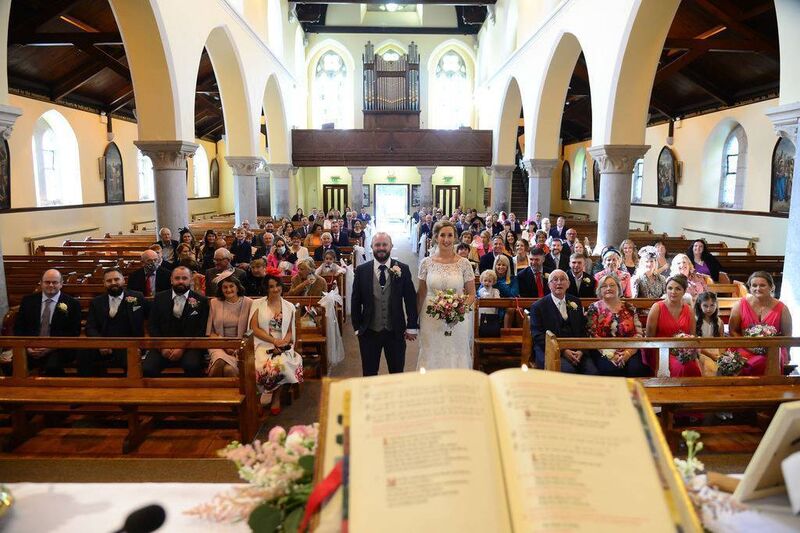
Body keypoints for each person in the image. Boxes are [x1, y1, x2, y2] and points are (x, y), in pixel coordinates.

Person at [350, 232, 418, 376]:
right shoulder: (362, 271)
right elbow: (355, 300)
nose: (381, 248)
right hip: (369, 332)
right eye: (377, 245)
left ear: (391, 246)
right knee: (369, 373)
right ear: (371, 246)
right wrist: (357, 327)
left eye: (384, 244)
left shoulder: (403, 269)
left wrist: (412, 325)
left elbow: (410, 299)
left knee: (397, 372)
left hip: (395, 332)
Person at [416, 220, 476, 369]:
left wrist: (459, 310)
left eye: (450, 235)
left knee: (456, 352)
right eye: (442, 235)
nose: (446, 239)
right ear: (436, 237)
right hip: (430, 316)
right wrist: (415, 319)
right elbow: (421, 292)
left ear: (455, 237)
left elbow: (471, 294)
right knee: (431, 351)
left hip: (457, 317)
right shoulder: (426, 263)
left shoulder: (464, 263)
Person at [249, 274, 303, 414]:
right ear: (266, 289)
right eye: (271, 287)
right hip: (263, 343)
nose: (275, 289)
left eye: (277, 285)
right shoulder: (257, 304)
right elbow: (254, 328)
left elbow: (291, 330)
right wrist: (273, 341)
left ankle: (276, 397)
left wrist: (283, 342)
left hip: (283, 344)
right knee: (259, 366)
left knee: (280, 365)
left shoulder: (289, 306)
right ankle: (261, 395)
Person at [79, 267, 148, 376]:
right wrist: (101, 343)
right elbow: (90, 327)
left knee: (131, 360)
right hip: (104, 344)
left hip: (130, 344)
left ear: (123, 280)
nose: (113, 283)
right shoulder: (97, 302)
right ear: (104, 283)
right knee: (84, 355)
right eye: (109, 281)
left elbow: (148, 319)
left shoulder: (136, 297)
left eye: (116, 279)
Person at [142, 266, 210, 377]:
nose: (180, 281)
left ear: (190, 280)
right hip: (163, 345)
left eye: (184, 278)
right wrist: (162, 347)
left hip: (190, 346)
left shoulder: (201, 301)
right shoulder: (159, 298)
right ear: (171, 280)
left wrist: (182, 348)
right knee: (147, 368)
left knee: (192, 366)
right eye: (177, 278)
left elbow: (201, 329)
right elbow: (152, 325)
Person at [14, 269, 82, 376]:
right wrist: (27, 347)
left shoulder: (72, 304)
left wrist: (50, 347)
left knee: (52, 368)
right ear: (41, 283)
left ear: (61, 284)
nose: (51, 285)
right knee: (11, 366)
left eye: (55, 282)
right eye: (47, 282)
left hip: (59, 348)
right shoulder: (28, 301)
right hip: (31, 346)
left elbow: (73, 332)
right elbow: (19, 327)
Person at [530, 269, 598, 374]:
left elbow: (582, 329)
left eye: (562, 279)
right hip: (549, 349)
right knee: (568, 372)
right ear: (549, 285)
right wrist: (562, 351)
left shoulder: (575, 302)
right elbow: (538, 335)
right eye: (554, 280)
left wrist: (581, 350)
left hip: (576, 349)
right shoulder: (538, 306)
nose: (559, 283)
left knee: (592, 372)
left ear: (568, 284)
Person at [728, 271, 792, 375]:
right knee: (745, 361)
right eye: (754, 285)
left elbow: (787, 336)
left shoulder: (782, 308)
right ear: (750, 287)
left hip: (772, 350)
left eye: (762, 285)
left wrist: (785, 354)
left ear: (771, 287)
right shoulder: (740, 305)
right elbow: (733, 331)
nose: (757, 288)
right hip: (745, 347)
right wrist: (750, 346)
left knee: (765, 361)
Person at [586, 275, 650, 377]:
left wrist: (628, 353)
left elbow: (638, 333)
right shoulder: (594, 308)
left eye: (612, 285)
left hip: (629, 348)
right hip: (603, 349)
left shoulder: (629, 307)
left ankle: (633, 393)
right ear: (599, 290)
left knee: (636, 369)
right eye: (604, 286)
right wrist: (610, 354)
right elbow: (592, 335)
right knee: (610, 370)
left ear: (619, 288)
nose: (608, 288)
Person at [645, 274, 699, 377]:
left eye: (678, 289)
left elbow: (692, 336)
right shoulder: (657, 308)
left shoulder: (689, 310)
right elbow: (649, 337)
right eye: (670, 288)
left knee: (692, 366)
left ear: (684, 291)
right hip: (660, 350)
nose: (673, 292)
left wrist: (687, 351)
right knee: (681, 367)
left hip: (682, 351)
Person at [207, 276, 253, 377]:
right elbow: (210, 332)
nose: (228, 290)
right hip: (218, 344)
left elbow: (251, 331)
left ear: (237, 287)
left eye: (231, 286)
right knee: (219, 361)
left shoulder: (249, 303)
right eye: (225, 287)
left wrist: (236, 347)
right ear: (221, 289)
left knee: (229, 370)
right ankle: (210, 391)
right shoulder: (214, 302)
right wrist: (225, 345)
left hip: (241, 346)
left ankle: (213, 391)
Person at [694, 291, 723, 376]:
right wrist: (712, 356)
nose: (709, 309)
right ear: (700, 305)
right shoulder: (695, 320)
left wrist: (721, 355)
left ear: (716, 305)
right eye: (705, 306)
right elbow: (695, 343)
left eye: (712, 305)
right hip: (701, 351)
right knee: (709, 366)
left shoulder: (719, 321)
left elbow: (722, 342)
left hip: (715, 350)